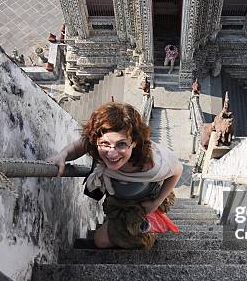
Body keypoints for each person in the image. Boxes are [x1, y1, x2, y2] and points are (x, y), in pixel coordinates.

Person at [48, 103, 183, 250]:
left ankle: (148, 229)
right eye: (105, 144)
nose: (112, 154)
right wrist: (62, 156)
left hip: (146, 199)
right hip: (120, 197)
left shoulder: (153, 164)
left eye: (121, 144)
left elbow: (178, 170)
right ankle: (124, 222)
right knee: (100, 240)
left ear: (135, 143)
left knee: (102, 241)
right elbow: (77, 147)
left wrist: (156, 203)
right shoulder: (97, 144)